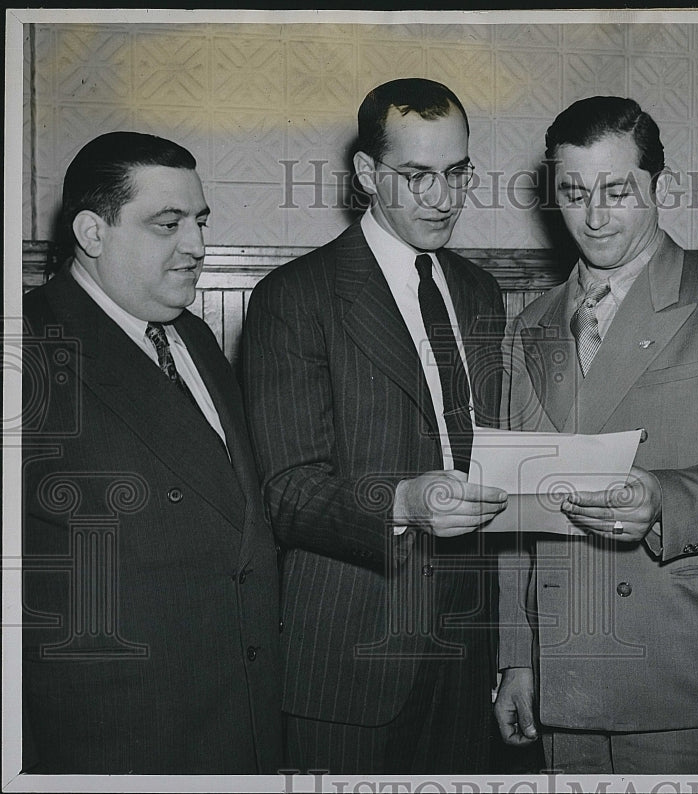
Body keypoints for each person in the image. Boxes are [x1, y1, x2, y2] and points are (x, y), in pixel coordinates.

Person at [494, 95, 698, 774]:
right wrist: (517, 658)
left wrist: (665, 501)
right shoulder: (529, 326)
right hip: (569, 679)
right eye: (574, 192)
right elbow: (516, 509)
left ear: (659, 188)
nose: (595, 214)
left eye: (618, 190)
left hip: (690, 674)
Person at [242, 78, 508, 774]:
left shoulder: (480, 292)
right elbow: (289, 491)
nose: (443, 198)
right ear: (366, 174)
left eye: (456, 174)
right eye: (417, 176)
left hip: (465, 645)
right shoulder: (293, 298)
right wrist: (403, 503)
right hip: (349, 655)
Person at [20, 131, 281, 774]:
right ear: (92, 231)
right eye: (168, 224)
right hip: (120, 742)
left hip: (239, 724)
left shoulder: (193, 335)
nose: (197, 246)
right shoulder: (27, 348)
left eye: (199, 222)